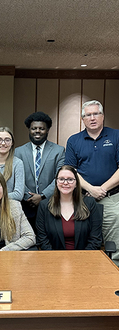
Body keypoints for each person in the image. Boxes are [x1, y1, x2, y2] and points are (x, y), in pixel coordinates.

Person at [65, 100, 119, 263]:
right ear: (83, 119)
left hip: (111, 198)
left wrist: (101, 189)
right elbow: (70, 170)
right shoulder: (74, 140)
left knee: (114, 244)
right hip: (83, 199)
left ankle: (113, 275)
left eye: (96, 114)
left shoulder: (116, 136)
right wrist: (91, 189)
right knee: (84, 239)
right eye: (88, 115)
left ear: (102, 116)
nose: (92, 118)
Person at [15, 111, 65, 230]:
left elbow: (60, 177)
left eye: (41, 128)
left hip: (51, 204)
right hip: (25, 206)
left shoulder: (59, 151)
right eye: (34, 128)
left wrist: (42, 196)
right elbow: (17, 177)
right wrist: (29, 196)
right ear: (29, 130)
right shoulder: (18, 152)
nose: (37, 131)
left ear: (47, 130)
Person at [36, 165, 102, 250]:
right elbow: (42, 239)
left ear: (76, 183)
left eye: (70, 179)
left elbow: (95, 239)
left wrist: (82, 259)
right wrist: (54, 259)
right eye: (61, 179)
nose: (65, 182)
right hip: (53, 259)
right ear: (56, 182)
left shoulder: (90, 203)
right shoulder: (44, 206)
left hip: (84, 258)